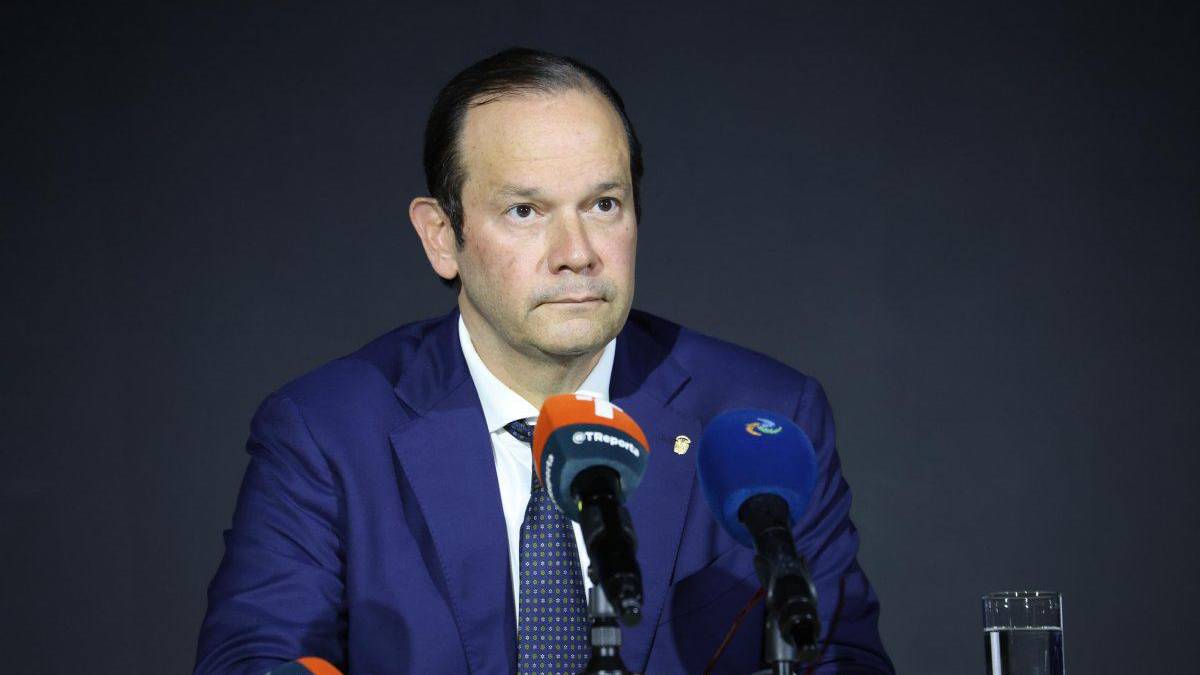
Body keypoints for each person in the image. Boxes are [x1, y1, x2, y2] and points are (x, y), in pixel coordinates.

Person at [195, 47, 894, 675]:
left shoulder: (762, 418)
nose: (577, 252)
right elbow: (256, 658)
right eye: (526, 211)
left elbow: (841, 657)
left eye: (604, 204)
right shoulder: (327, 433)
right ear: (441, 236)